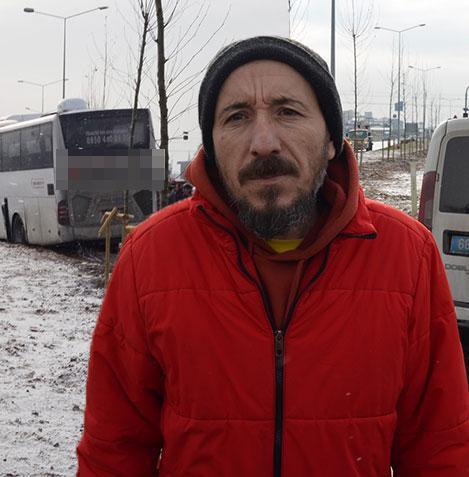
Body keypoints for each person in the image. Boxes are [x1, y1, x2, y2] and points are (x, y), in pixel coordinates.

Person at [77, 36, 469, 475]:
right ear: (212, 146)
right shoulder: (150, 258)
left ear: (331, 140)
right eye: (237, 117)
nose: (263, 142)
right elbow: (114, 451)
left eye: (288, 111)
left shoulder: (407, 256)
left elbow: (440, 450)